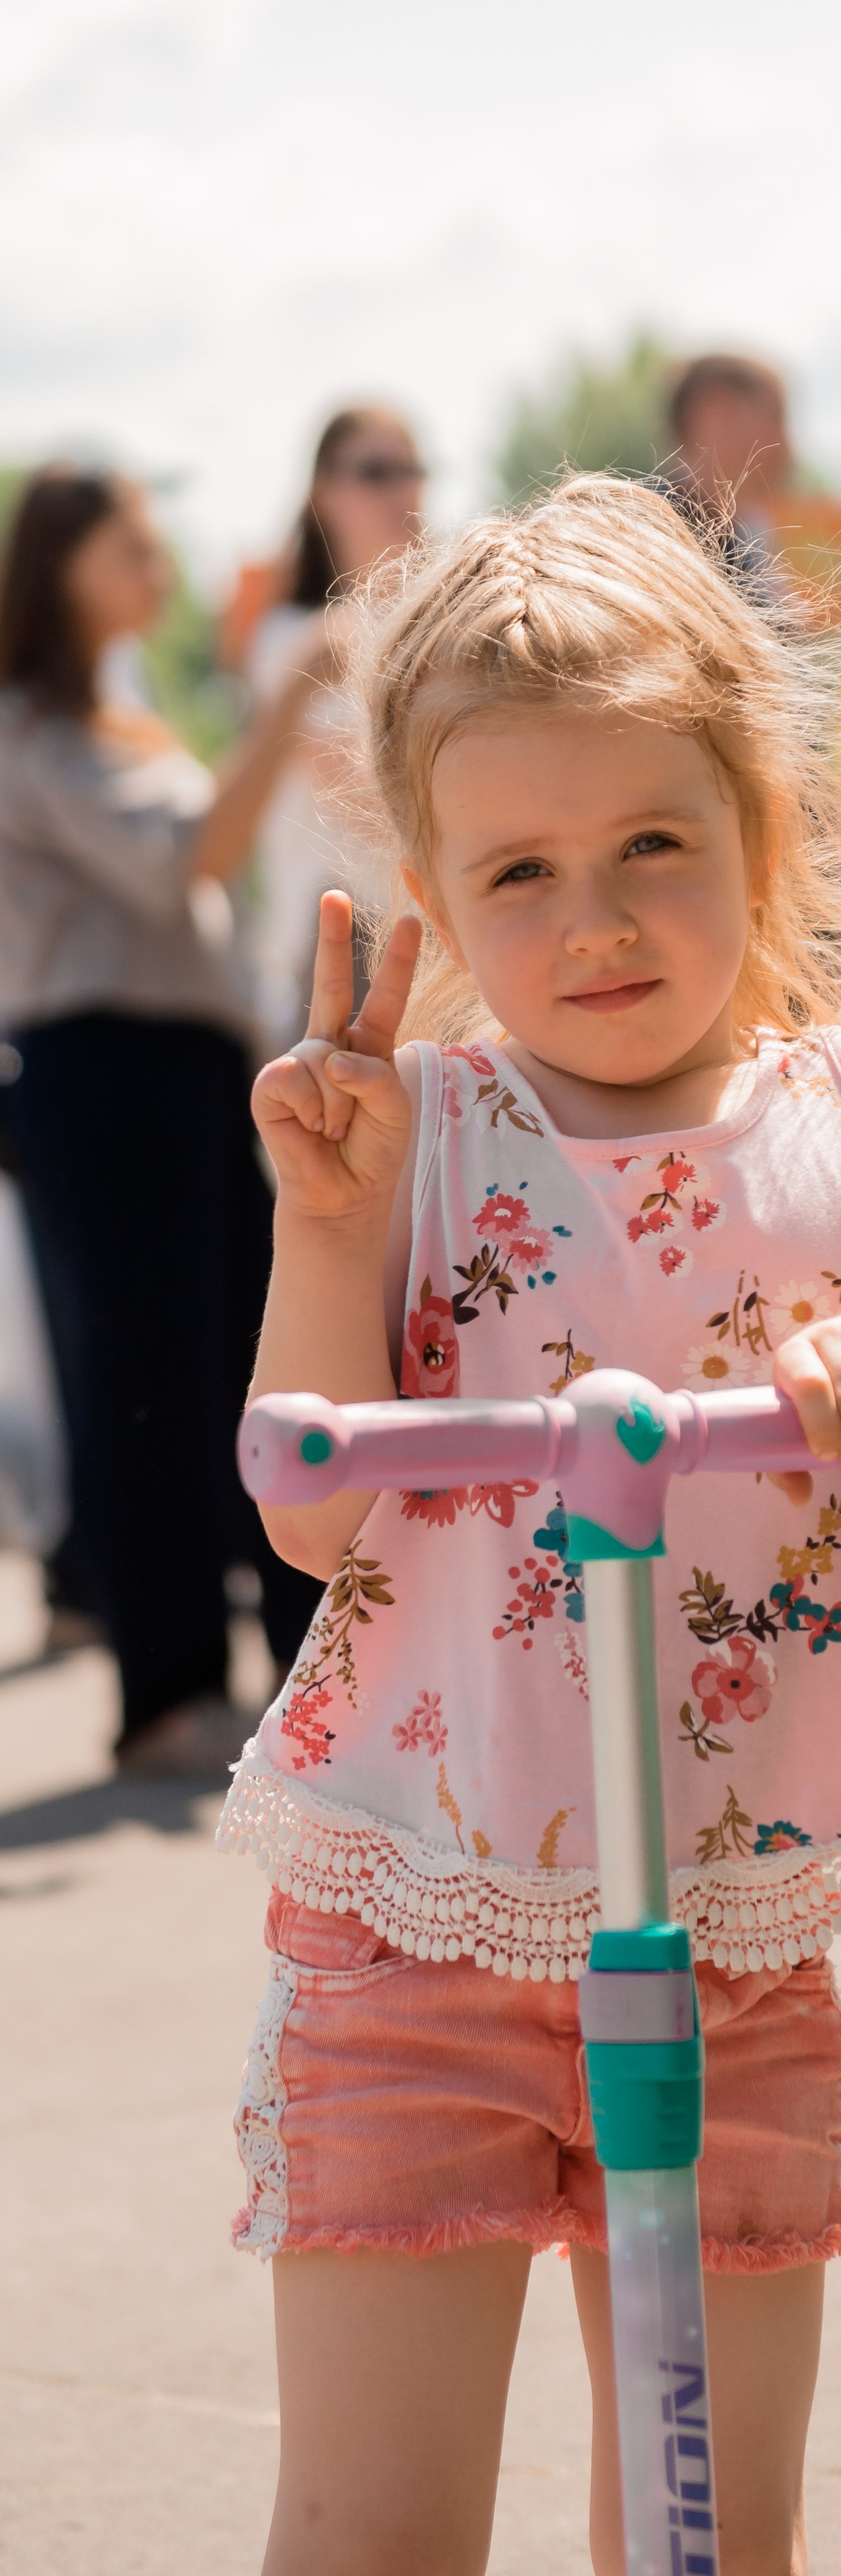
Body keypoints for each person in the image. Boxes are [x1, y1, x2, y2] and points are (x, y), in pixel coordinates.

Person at [218, 472, 841, 2574]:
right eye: (522, 870)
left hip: (742, 1924)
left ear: (761, 822)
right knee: (371, 2527)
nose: (595, 919)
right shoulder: (422, 1130)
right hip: (431, 1914)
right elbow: (306, 1498)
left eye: (653, 845)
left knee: (703, 2535)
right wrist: (330, 1218)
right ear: (430, 899)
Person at [0, 465, 330, 1774]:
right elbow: (185, 856)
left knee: (253, 1357)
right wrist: (290, 693)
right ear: (64, 562)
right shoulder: (31, 726)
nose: (158, 562)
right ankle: (168, 1692)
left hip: (181, 1071)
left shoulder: (113, 715)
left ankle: (306, 1663)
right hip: (99, 1070)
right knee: (142, 1381)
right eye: (129, 543)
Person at [246, 405, 426, 1051]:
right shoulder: (291, 639)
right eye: (377, 471)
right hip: (345, 934)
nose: (403, 490)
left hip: (434, 932)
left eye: (412, 469)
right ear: (324, 494)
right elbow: (357, 791)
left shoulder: (436, 629)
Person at [663, 351, 791, 600]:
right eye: (775, 419)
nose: (786, 446)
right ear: (716, 415)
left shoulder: (747, 544)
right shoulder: (638, 538)